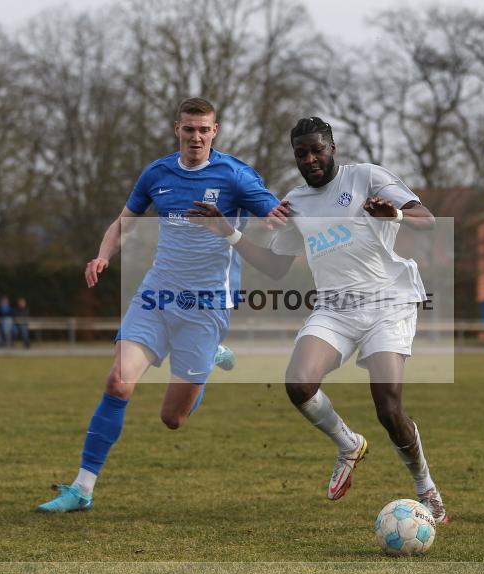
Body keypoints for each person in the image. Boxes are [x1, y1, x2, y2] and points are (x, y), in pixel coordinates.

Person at [188, 117, 448, 522]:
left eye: (317, 150)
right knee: (298, 383)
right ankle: (348, 444)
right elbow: (276, 267)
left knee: (388, 408)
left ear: (332, 147)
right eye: (301, 153)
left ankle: (426, 489)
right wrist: (227, 232)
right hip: (335, 308)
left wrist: (393, 214)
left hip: (388, 303)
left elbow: (427, 220)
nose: (310, 159)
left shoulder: (365, 177)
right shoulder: (295, 204)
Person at [36, 97, 281, 513]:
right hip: (157, 293)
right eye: (189, 129)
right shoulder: (158, 172)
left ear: (215, 131)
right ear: (177, 129)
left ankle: (207, 360)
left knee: (173, 419)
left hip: (206, 307)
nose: (196, 137)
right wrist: (103, 255)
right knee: (118, 382)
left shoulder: (236, 176)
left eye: (204, 129)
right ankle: (82, 488)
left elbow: (278, 217)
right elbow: (125, 221)